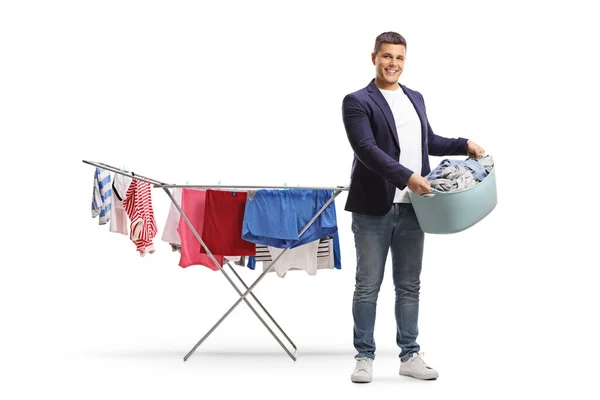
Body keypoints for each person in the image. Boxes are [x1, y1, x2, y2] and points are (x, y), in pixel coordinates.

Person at [341, 31, 485, 383]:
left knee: (409, 285)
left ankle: (410, 355)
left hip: (414, 209)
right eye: (386, 56)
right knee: (367, 285)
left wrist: (463, 143)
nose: (393, 64)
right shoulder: (357, 100)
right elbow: (366, 149)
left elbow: (428, 140)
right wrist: (407, 177)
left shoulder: (414, 98)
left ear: (405, 61)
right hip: (373, 207)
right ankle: (364, 356)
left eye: (399, 58)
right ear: (373, 57)